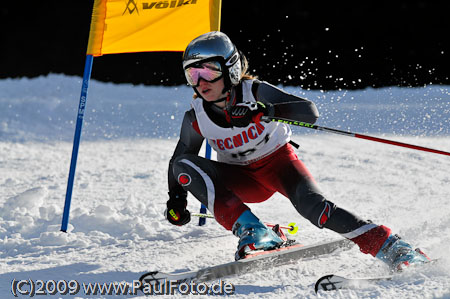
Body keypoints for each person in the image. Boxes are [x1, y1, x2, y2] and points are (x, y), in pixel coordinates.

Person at [164, 31, 430, 270]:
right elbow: (179, 161)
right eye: (192, 74)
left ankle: (394, 247)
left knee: (314, 208)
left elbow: (309, 112)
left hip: (279, 165)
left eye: (208, 72)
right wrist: (176, 199)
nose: (201, 82)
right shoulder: (195, 117)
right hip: (240, 179)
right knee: (184, 165)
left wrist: (266, 110)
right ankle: (255, 231)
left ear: (231, 69)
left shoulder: (254, 91)